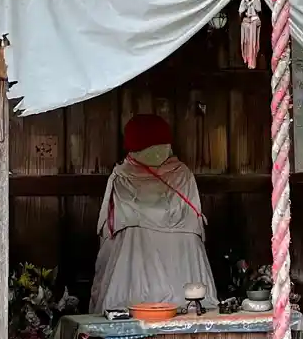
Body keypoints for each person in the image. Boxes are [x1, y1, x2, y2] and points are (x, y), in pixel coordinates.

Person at [88, 114, 216, 313]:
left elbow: (110, 229)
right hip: (184, 263)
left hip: (132, 272)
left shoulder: (122, 176)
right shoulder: (183, 175)